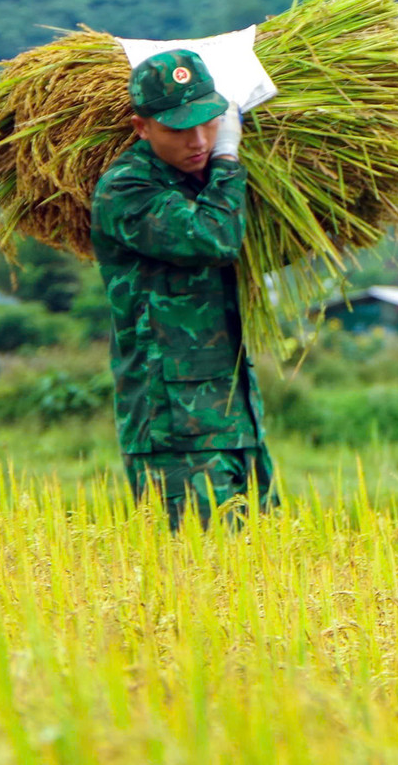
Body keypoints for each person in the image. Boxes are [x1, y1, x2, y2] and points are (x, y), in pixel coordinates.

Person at [90, 48, 275, 530]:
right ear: (141, 128)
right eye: (177, 129)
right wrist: (229, 157)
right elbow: (215, 237)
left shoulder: (206, 183)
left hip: (236, 416)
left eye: (210, 123)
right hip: (173, 427)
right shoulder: (127, 191)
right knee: (197, 578)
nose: (198, 141)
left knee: (267, 577)